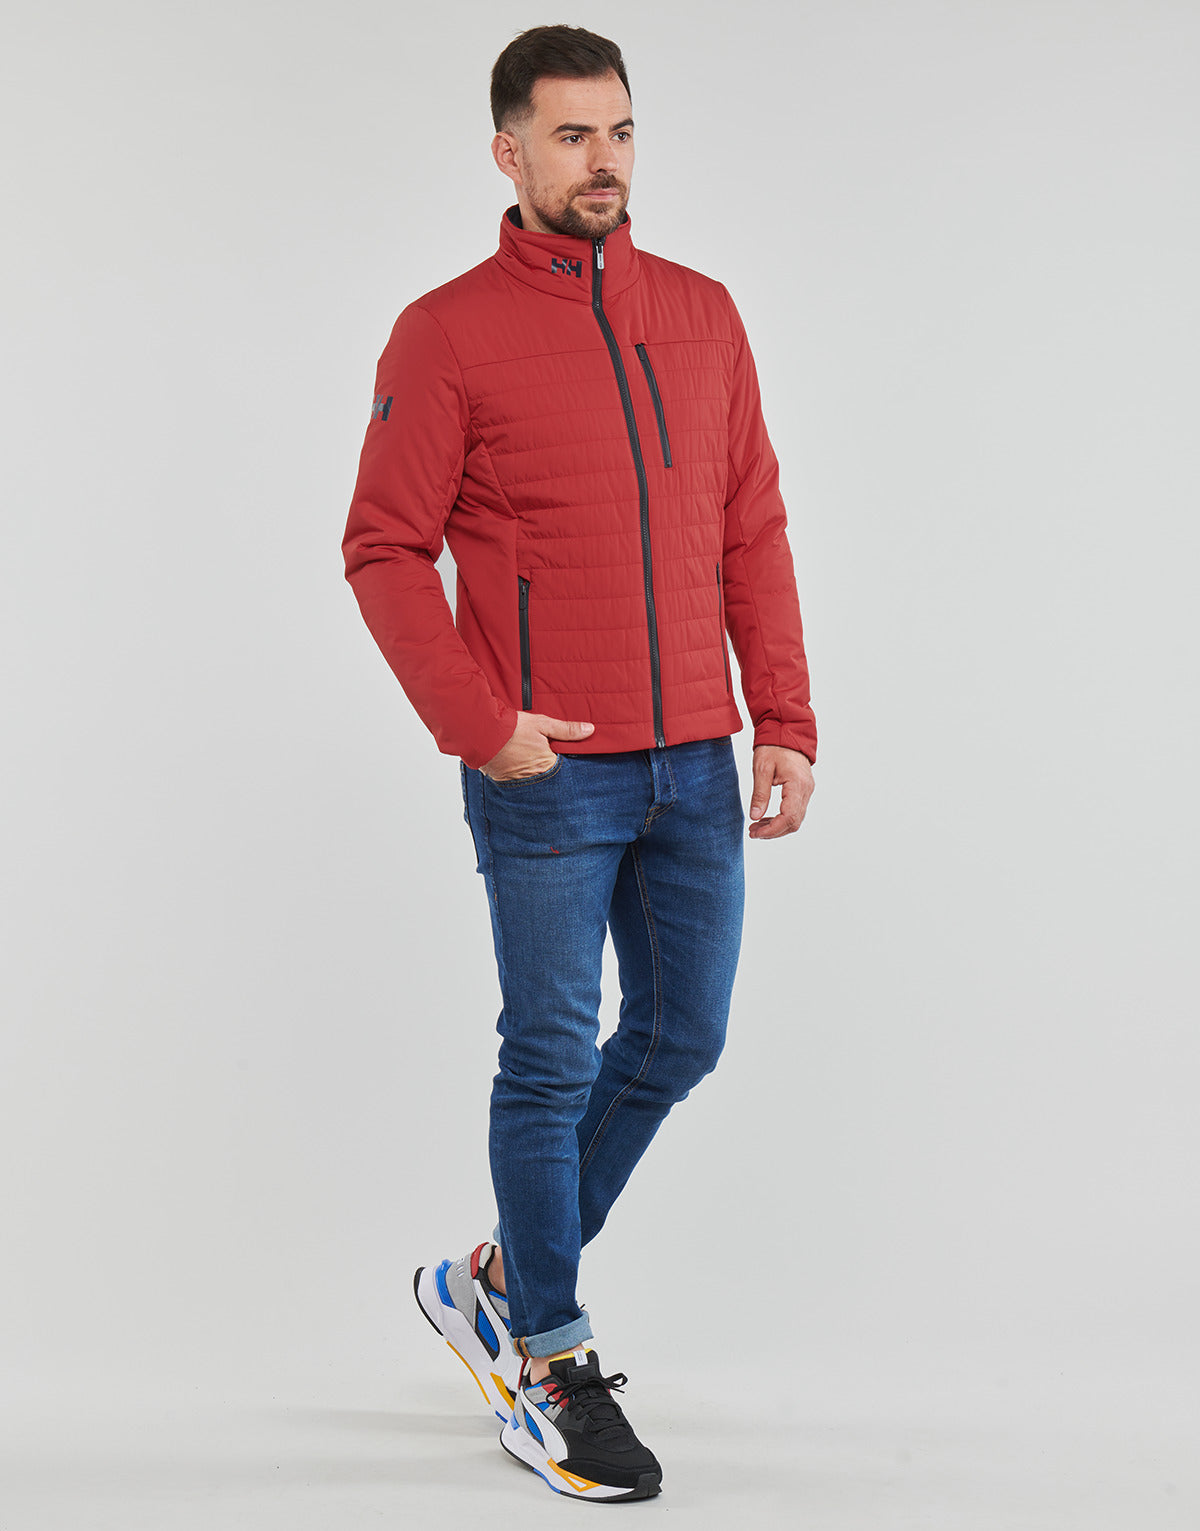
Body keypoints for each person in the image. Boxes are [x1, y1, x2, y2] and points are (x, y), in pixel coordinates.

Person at [341, 23, 816, 1504]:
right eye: (569, 136)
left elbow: (751, 525)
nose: (602, 160)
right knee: (549, 1057)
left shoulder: (704, 313)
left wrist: (784, 715)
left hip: (697, 759)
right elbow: (382, 549)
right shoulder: (446, 333)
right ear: (508, 153)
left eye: (618, 132)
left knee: (681, 1039)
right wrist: (480, 723)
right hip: (548, 766)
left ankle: (494, 1281)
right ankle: (548, 1353)